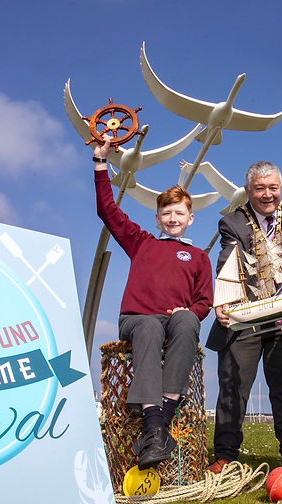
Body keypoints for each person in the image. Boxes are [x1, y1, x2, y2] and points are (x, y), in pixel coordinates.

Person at [94, 136, 213, 469]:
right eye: (166, 212)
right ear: (157, 218)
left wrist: (190, 311)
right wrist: (101, 163)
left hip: (176, 322)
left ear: (191, 218)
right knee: (147, 325)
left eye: (180, 212)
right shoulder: (141, 242)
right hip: (137, 318)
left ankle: (158, 423)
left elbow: (205, 301)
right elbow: (107, 209)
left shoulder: (200, 256)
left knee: (190, 319)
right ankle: (156, 424)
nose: (173, 217)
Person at [205, 160, 282, 473]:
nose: (268, 194)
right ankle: (224, 454)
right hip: (247, 314)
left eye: (273, 187)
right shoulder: (232, 221)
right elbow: (227, 262)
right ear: (248, 191)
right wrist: (222, 302)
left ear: (281, 188)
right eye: (260, 188)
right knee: (232, 386)